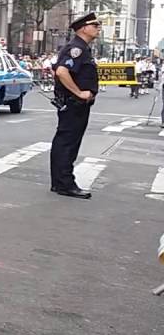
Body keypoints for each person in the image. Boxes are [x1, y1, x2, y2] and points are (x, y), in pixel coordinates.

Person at [50, 13, 100, 199]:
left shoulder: (82, 48)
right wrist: (79, 93)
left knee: (65, 142)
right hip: (74, 104)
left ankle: (59, 182)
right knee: (67, 143)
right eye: (94, 25)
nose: (98, 27)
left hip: (74, 104)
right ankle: (65, 184)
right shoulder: (76, 48)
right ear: (83, 28)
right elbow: (62, 72)